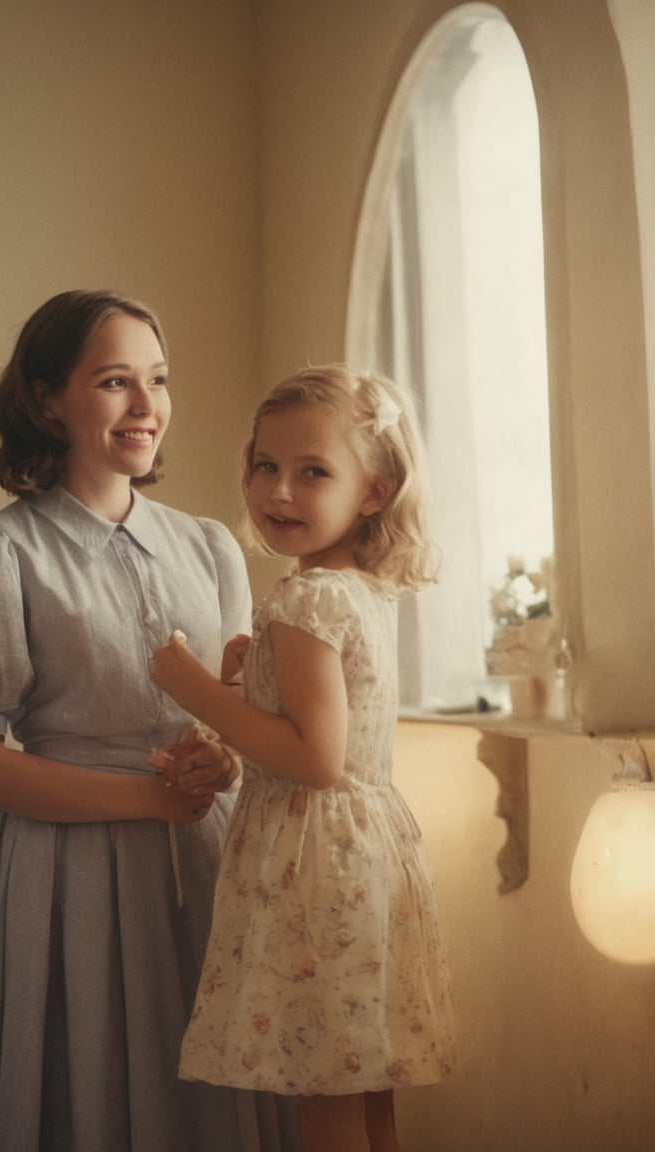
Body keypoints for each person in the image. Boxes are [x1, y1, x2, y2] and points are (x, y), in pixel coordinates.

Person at [0, 290, 300, 1152]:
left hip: (207, 871)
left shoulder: (211, 547)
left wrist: (221, 763)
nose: (146, 405)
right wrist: (151, 798)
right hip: (62, 884)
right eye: (115, 381)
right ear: (47, 399)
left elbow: (236, 719)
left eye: (156, 380)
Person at [150, 364, 456, 1152]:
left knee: (322, 1091)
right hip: (369, 846)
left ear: (374, 490)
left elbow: (312, 758)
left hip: (314, 862)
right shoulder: (358, 589)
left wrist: (192, 687)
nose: (278, 491)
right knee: (365, 1081)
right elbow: (326, 727)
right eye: (265, 466)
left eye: (312, 472)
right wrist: (248, 680)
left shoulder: (307, 597)